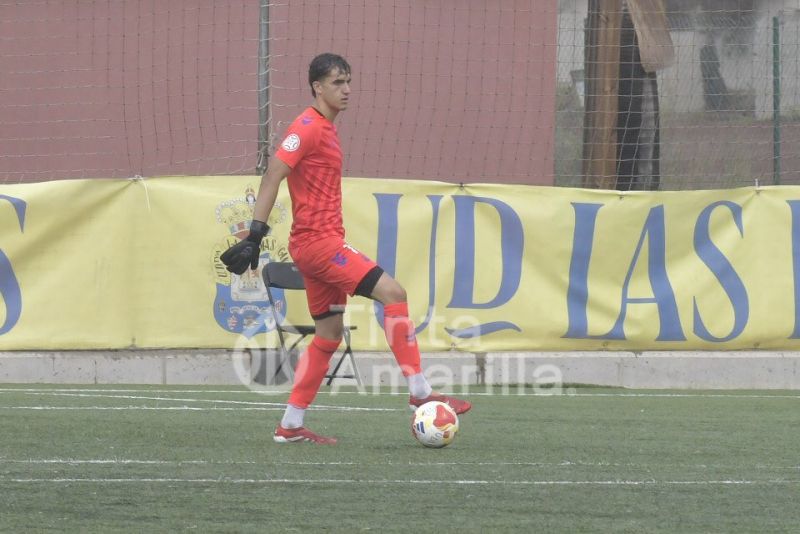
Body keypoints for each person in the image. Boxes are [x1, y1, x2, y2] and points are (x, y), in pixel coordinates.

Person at [221, 53, 471, 445]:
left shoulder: (324, 128)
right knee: (394, 293)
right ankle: (421, 392)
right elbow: (273, 173)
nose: (347, 89)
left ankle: (290, 424)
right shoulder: (307, 127)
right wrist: (254, 235)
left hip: (314, 246)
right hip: (320, 244)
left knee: (328, 334)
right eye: (337, 82)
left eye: (348, 81)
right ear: (317, 87)